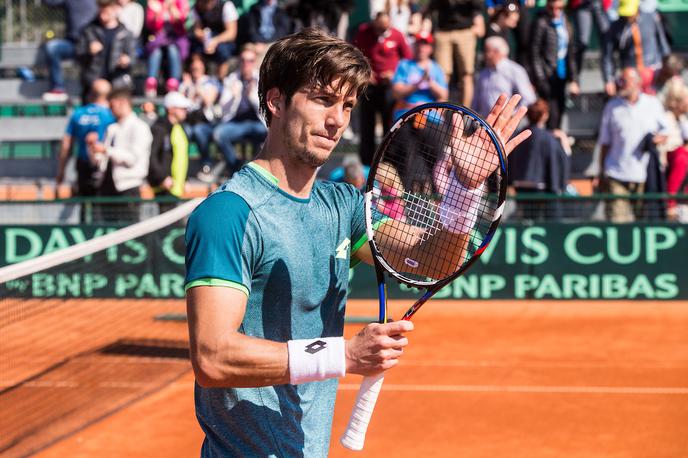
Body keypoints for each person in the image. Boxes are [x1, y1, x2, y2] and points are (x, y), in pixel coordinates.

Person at [184, 28, 531, 456]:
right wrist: (344, 356)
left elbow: (431, 260)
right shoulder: (228, 214)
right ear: (275, 102)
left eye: (347, 105)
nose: (337, 120)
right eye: (322, 99)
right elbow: (213, 357)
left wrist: (461, 190)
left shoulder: (345, 206)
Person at [595, 67, 669, 223]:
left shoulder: (653, 104)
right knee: (619, 224)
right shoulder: (612, 107)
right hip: (616, 173)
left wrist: (656, 140)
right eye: (619, 81)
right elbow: (605, 143)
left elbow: (666, 132)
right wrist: (601, 172)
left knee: (642, 225)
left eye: (625, 81)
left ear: (637, 83)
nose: (620, 84)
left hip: (644, 176)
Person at [353, 11, 412, 165]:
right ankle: (366, 163)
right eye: (379, 28)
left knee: (389, 126)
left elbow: (407, 60)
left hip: (388, 87)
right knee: (367, 126)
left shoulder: (397, 36)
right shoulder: (364, 32)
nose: (381, 31)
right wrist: (365, 72)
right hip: (370, 86)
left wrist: (394, 75)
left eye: (385, 28)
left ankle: (389, 162)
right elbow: (354, 53)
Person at [89, 88, 153, 222]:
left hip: (128, 187)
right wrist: (92, 147)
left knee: (129, 231)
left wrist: (105, 150)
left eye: (112, 105)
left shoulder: (139, 127)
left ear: (122, 103)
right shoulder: (111, 129)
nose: (110, 110)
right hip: (107, 187)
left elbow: (132, 159)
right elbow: (100, 161)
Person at [209, 44, 267, 179]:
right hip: (237, 122)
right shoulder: (232, 80)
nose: (246, 64)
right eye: (243, 60)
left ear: (255, 62)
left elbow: (265, 109)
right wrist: (233, 96)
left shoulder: (262, 80)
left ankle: (257, 170)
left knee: (270, 135)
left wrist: (252, 96)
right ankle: (236, 166)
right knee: (218, 134)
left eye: (250, 61)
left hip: (258, 123)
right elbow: (223, 109)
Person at [55, 79, 115, 205]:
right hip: (106, 166)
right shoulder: (111, 115)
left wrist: (61, 171)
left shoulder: (78, 113)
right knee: (105, 208)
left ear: (90, 94)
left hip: (83, 165)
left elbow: (66, 144)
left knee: (85, 206)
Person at [509, 98, 570, 220]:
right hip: (542, 191)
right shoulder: (549, 139)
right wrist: (564, 140)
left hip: (520, 188)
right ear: (544, 116)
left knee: (526, 221)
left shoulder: (519, 136)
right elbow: (562, 161)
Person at [601, 0, 670, 96]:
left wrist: (667, 69)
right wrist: (608, 79)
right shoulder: (615, 28)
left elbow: (664, 46)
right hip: (630, 74)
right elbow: (607, 56)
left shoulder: (652, 18)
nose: (628, 17)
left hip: (653, 70)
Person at [530, 0, 580, 130]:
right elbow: (534, 53)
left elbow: (570, 53)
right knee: (551, 114)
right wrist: (540, 79)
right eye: (552, 8)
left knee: (560, 110)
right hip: (547, 76)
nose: (555, 11)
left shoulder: (565, 23)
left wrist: (574, 79)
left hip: (561, 74)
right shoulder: (541, 23)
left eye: (559, 8)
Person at [424, 0, 484, 107]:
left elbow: (478, 6)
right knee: (442, 75)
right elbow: (430, 8)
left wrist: (478, 22)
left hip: (465, 31)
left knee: (467, 74)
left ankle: (465, 112)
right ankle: (439, 114)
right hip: (443, 32)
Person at [76, 0, 137, 101]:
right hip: (94, 83)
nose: (103, 16)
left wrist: (126, 61)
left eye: (107, 12)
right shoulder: (89, 31)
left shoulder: (125, 33)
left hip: (117, 82)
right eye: (101, 12)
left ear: (116, 10)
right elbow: (79, 55)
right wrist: (89, 52)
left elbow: (133, 58)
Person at [41, 0, 98, 101]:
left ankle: (103, 90)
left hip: (94, 43)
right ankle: (58, 89)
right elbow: (50, 2)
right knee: (52, 47)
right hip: (73, 45)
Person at [148, 92, 192, 213]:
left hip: (176, 187)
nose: (185, 111)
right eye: (182, 108)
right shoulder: (159, 128)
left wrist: (185, 179)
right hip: (164, 187)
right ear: (171, 109)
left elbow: (181, 156)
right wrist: (162, 178)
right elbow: (152, 156)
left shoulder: (179, 128)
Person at [472, 36, 535, 118]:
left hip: (507, 125)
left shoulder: (515, 70)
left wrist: (511, 116)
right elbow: (476, 101)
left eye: (487, 51)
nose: (485, 55)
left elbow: (529, 99)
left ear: (497, 52)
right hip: (484, 124)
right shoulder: (483, 73)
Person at [144, 0, 191, 96]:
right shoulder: (154, 3)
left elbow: (181, 22)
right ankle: (151, 83)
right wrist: (158, 13)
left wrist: (171, 7)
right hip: (159, 39)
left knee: (172, 50)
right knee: (155, 51)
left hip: (176, 39)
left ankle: (174, 83)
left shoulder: (181, 2)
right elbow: (152, 26)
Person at [191, 0, 239, 78]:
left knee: (222, 51)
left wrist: (215, 41)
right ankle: (198, 80)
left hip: (224, 42)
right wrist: (202, 36)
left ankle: (221, 80)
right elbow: (197, 29)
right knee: (195, 49)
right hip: (205, 41)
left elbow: (231, 33)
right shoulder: (197, 6)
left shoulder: (226, 6)